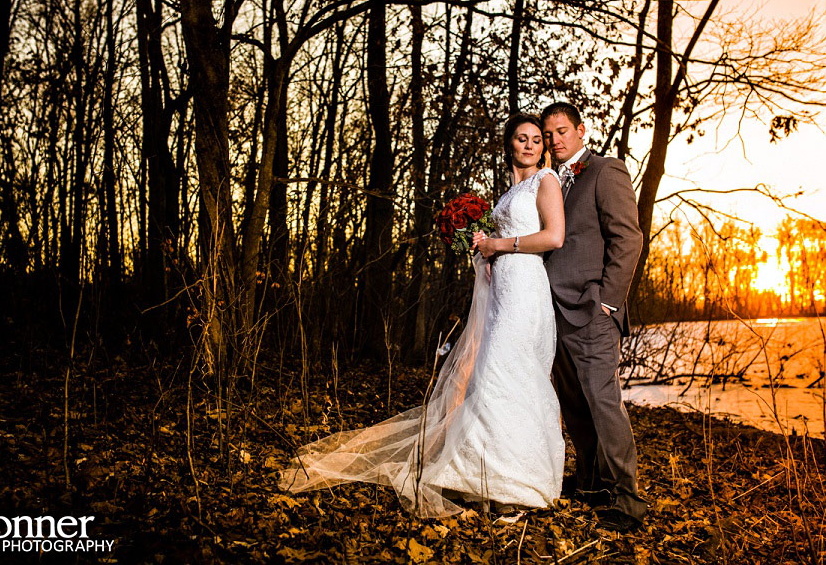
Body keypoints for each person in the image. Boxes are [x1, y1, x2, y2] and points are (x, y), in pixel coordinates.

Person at [277, 113, 566, 518]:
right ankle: (489, 477)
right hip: (501, 288)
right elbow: (494, 242)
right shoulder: (507, 192)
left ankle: (519, 487)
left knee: (509, 372)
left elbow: (554, 236)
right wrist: (479, 243)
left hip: (526, 289)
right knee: (489, 375)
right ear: (509, 145)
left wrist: (499, 244)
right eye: (522, 138)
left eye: (537, 139)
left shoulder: (545, 181)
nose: (531, 145)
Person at [541, 101, 648, 532]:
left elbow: (629, 238)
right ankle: (590, 481)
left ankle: (628, 498)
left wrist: (609, 302)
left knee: (604, 403)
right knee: (574, 404)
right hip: (553, 313)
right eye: (549, 134)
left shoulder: (606, 171)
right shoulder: (550, 182)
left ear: (581, 130)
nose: (555, 140)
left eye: (562, 131)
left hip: (593, 311)